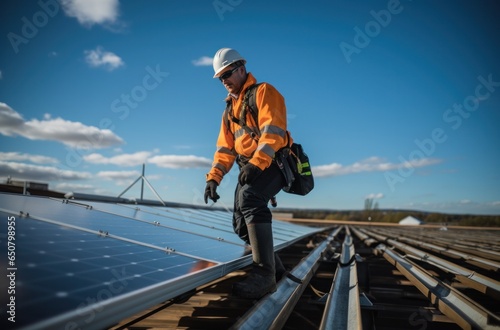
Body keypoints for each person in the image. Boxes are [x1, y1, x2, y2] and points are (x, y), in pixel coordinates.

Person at [204, 48, 290, 299]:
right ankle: (277, 270)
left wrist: (258, 162)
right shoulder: (230, 109)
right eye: (220, 77)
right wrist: (213, 178)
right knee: (240, 224)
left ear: (242, 68)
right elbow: (225, 149)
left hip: (273, 163)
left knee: (250, 198)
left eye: (228, 74)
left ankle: (264, 275)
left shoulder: (263, 92)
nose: (224, 81)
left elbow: (274, 132)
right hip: (250, 168)